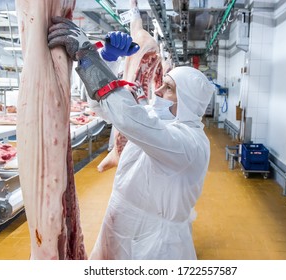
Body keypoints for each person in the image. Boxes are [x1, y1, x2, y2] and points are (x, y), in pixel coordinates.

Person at [48, 17, 215, 259]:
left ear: (187, 102)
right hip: (119, 225)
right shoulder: (158, 119)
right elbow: (105, 109)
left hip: (153, 242)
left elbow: (129, 119)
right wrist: (108, 60)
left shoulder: (189, 144)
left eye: (168, 88)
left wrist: (89, 57)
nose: (157, 91)